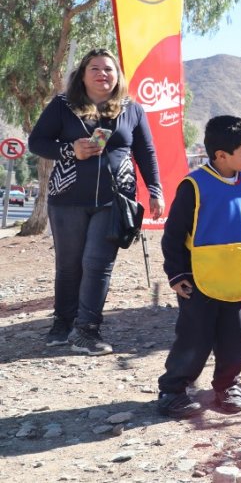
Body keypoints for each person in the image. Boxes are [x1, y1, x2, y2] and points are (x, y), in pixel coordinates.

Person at [28, 48, 164, 355]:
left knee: (98, 264)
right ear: (83, 74)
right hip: (67, 199)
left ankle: (87, 331)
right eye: (96, 69)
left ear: (118, 76)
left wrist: (155, 189)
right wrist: (69, 149)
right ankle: (63, 323)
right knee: (69, 266)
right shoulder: (63, 106)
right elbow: (37, 142)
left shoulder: (131, 109)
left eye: (109, 69)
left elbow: (146, 152)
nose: (103, 74)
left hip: (115, 201)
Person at [156, 116, 241, 418]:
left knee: (237, 337)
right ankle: (173, 390)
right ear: (221, 155)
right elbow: (174, 234)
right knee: (195, 337)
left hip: (235, 278)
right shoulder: (194, 185)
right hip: (197, 279)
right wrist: (176, 274)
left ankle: (227, 385)